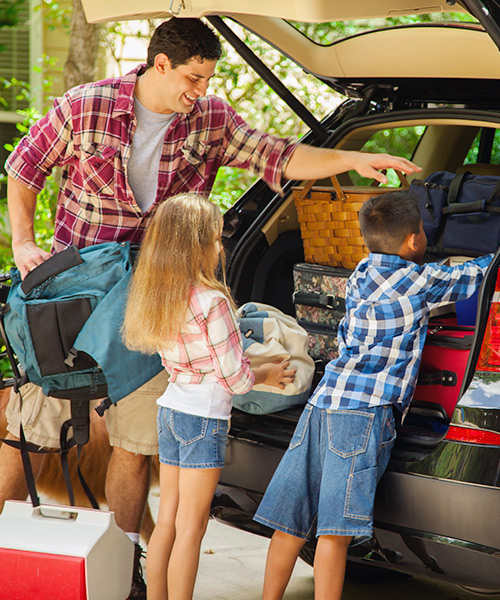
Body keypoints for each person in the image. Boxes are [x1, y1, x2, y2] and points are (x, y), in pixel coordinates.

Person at [0, 16, 420, 599]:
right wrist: (24, 243)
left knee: (134, 446)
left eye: (207, 80)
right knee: (31, 432)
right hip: (76, 302)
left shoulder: (210, 120)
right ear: (160, 64)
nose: (199, 92)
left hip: (153, 307)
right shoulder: (85, 107)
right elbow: (23, 171)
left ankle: (120, 572)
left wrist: (352, 161)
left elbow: (282, 155)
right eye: (192, 78)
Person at [253, 190, 492, 600]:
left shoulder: (360, 273)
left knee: (289, 523)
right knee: (335, 530)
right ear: (415, 241)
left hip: (323, 403)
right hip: (363, 415)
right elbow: (474, 275)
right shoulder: (420, 279)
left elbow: (346, 331)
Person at [122, 193, 296, 600]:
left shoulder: (159, 295)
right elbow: (234, 380)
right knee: (193, 526)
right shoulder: (212, 301)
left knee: (167, 520)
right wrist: (268, 370)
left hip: (171, 410)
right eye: (216, 239)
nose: (221, 247)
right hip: (203, 420)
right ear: (195, 245)